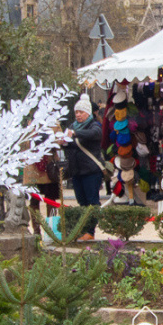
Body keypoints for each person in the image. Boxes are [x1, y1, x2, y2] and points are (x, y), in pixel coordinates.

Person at [62, 95, 107, 227]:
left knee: (92, 202)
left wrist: (75, 134)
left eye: (81, 112)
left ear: (88, 113)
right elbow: (71, 145)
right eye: (76, 112)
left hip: (91, 170)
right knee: (81, 202)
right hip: (76, 171)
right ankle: (83, 228)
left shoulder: (94, 125)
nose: (78, 115)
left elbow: (95, 134)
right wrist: (63, 143)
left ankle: (90, 230)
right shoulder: (72, 126)